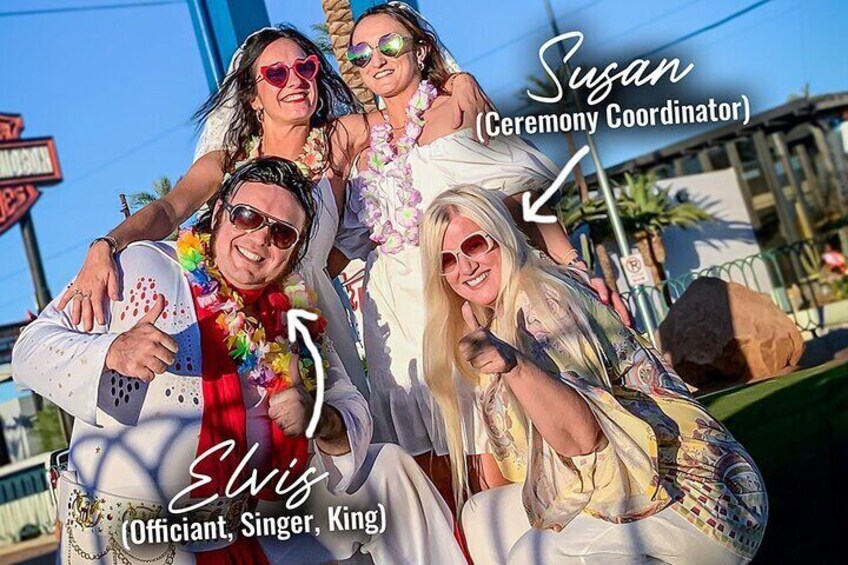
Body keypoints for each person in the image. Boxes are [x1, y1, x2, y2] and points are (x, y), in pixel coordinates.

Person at [12, 159, 465, 564]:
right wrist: (113, 351)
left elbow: (347, 403)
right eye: (246, 216)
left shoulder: (296, 318)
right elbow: (29, 350)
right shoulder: (142, 269)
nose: (259, 237)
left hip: (254, 524)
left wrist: (318, 418)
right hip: (138, 528)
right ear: (218, 214)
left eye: (281, 233)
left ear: (294, 251)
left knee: (388, 473)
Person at [56, 24, 488, 402]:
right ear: (252, 96)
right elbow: (170, 209)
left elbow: (413, 109)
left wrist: (458, 82)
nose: (294, 81)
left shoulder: (339, 138)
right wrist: (107, 243)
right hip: (240, 325)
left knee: (343, 441)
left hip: (316, 324)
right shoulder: (226, 163)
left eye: (305, 68)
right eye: (276, 74)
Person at [337, 2, 631, 498]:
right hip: (395, 320)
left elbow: (523, 194)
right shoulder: (360, 144)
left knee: (500, 452)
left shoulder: (458, 106)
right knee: (432, 474)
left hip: (465, 300)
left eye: (390, 44)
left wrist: (573, 264)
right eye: (362, 54)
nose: (377, 60)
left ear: (420, 49)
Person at [419, 185, 768, 564]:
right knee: (481, 515)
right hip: (616, 479)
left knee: (536, 555)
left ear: (501, 235)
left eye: (474, 245)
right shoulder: (500, 320)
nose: (465, 267)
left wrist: (515, 366)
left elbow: (583, 438)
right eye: (447, 260)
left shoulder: (543, 305)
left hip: (695, 497)